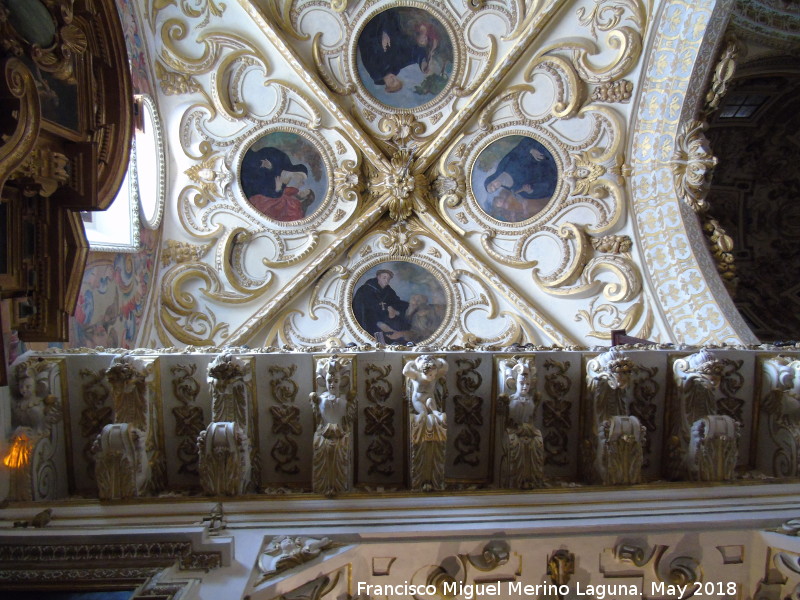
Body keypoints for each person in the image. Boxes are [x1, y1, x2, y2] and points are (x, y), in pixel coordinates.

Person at [358, 10, 439, 94]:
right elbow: (411, 55)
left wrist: (382, 35)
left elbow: (365, 43)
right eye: (396, 80)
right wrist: (422, 63)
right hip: (391, 21)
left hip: (374, 23)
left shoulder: (375, 70)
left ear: (386, 86)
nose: (394, 78)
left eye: (392, 82)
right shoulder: (395, 67)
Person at [483, 137, 557, 220]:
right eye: (494, 189)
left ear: (491, 179)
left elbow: (518, 150)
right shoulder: (514, 189)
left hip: (542, 155)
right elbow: (540, 191)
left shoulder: (503, 166)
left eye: (491, 185)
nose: (495, 186)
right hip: (549, 171)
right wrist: (530, 190)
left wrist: (531, 150)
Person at [241, 146, 315, 221]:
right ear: (297, 171)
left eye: (302, 179)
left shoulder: (286, 185)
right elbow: (270, 156)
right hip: (255, 166)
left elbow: (275, 195)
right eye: (301, 176)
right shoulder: (283, 160)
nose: (299, 179)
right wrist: (270, 167)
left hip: (256, 186)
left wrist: (278, 188)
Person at [352, 269, 409, 338]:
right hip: (370, 322)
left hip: (386, 321)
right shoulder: (365, 290)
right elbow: (361, 310)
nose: (386, 280)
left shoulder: (389, 291)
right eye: (384, 278)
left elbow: (396, 302)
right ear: (378, 277)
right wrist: (378, 322)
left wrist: (397, 310)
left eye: (388, 279)